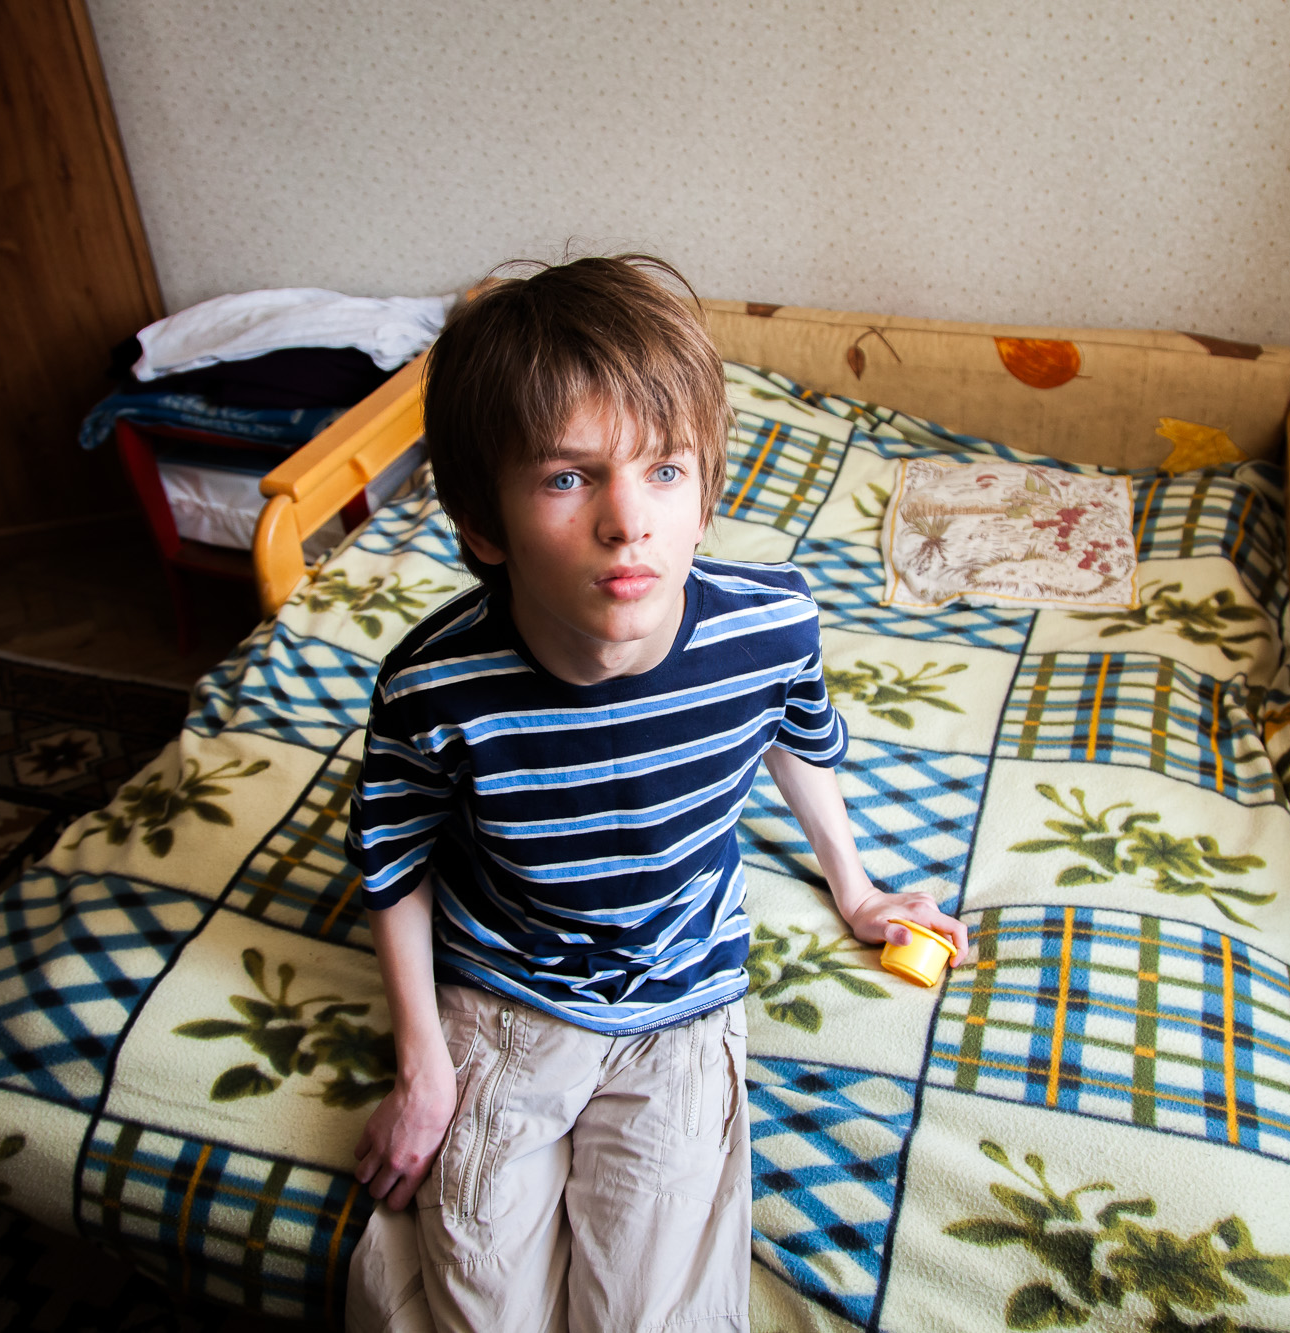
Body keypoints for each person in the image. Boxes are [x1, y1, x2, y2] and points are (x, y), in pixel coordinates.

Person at [344, 254, 969, 1333]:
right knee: (478, 1306)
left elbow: (795, 738)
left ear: (706, 493)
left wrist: (857, 889)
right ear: (483, 525)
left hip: (679, 993)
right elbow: (392, 860)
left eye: (664, 470)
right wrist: (424, 1067)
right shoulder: (431, 686)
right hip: (505, 989)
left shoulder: (771, 627)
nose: (626, 520)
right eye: (566, 478)